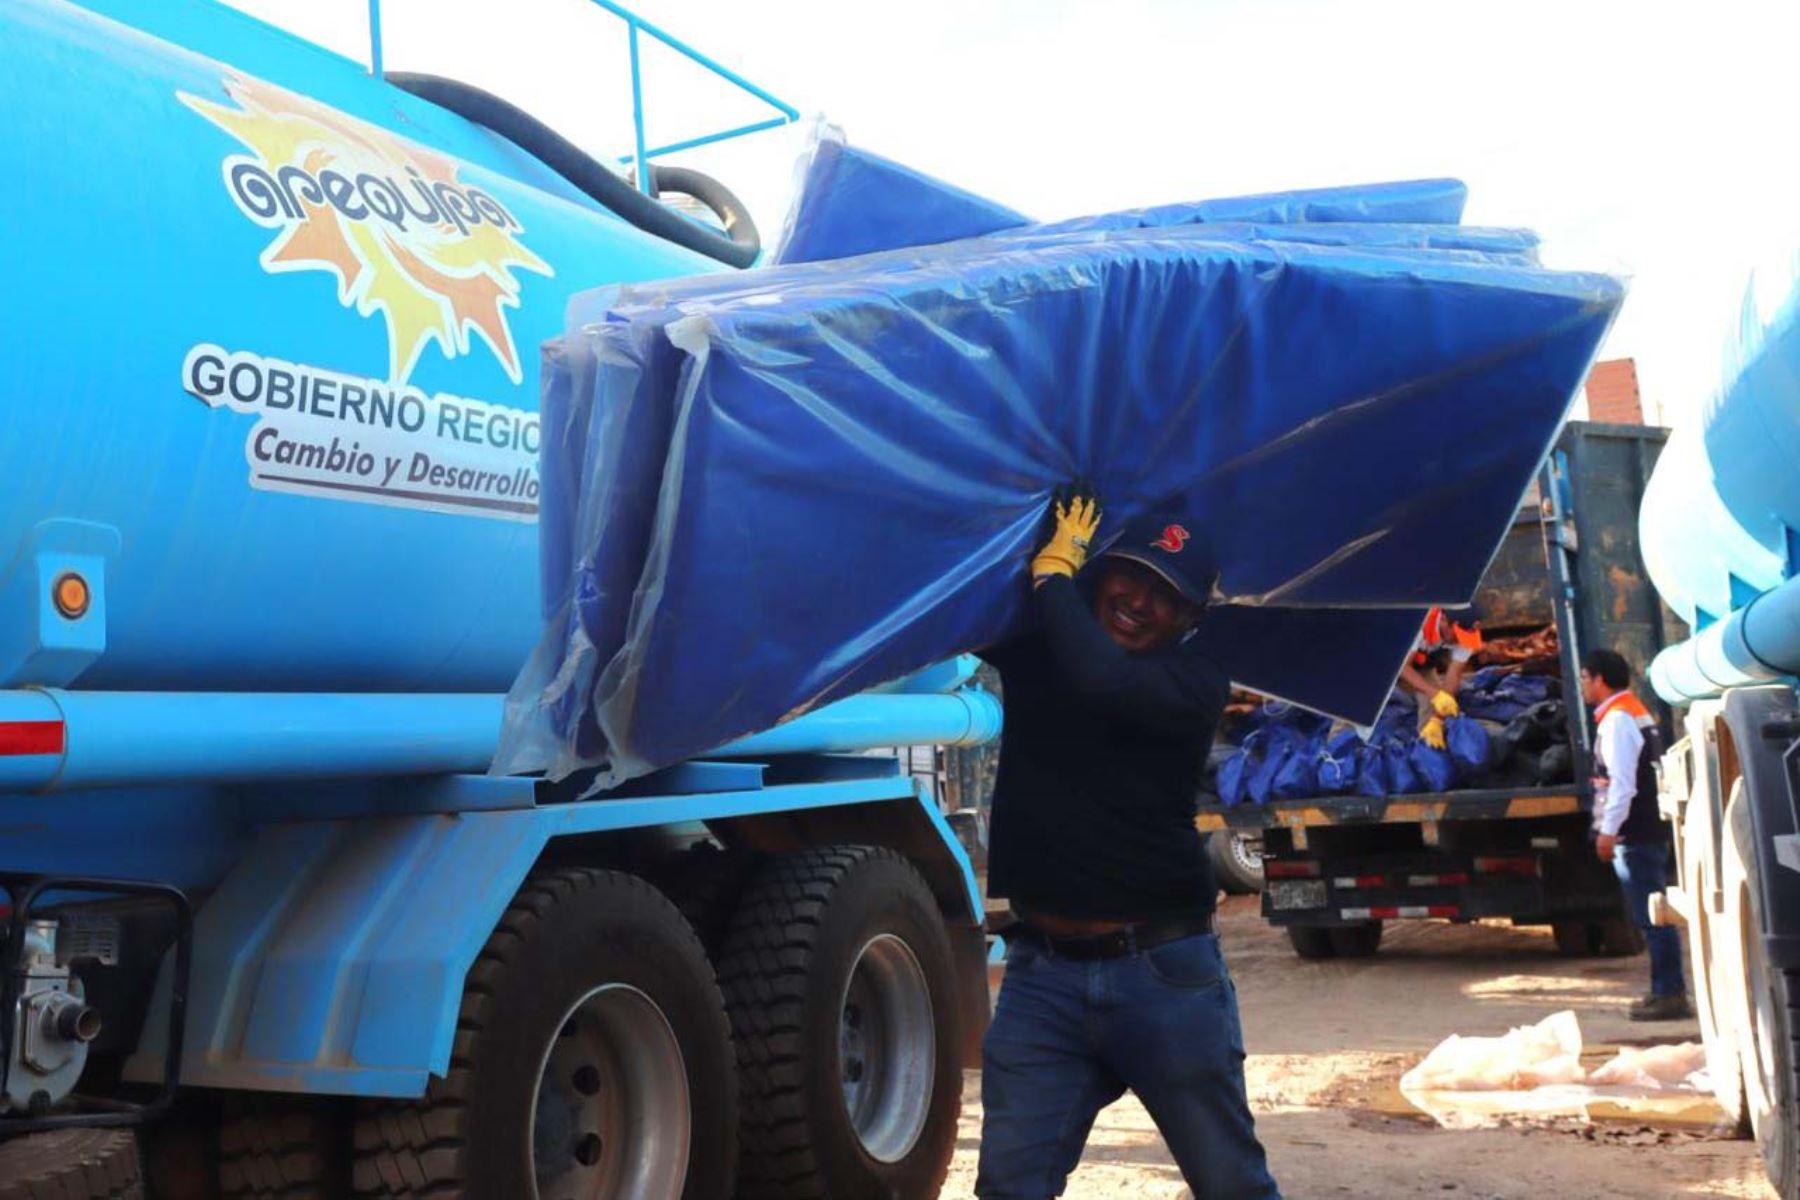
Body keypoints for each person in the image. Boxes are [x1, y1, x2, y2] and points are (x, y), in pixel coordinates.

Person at [976, 487, 1280, 1200]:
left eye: (1165, 595)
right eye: (1132, 575)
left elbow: (1102, 683)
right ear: (1100, 567)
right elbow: (949, 605)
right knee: (1009, 1189)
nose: (1140, 601)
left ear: (1191, 620)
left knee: (1231, 1184)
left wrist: (1051, 579)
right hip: (1041, 979)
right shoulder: (1042, 645)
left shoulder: (1193, 682)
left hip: (1163, 976)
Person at [1579, 648, 1691, 1021]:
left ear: (1599, 680)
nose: (1581, 686)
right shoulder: (1631, 710)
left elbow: (1621, 784)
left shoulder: (1617, 720)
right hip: (1644, 830)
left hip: (1635, 833)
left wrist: (1608, 832)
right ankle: (1664, 989)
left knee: (1651, 916)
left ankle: (1670, 994)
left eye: (1584, 678)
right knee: (1650, 913)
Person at [1398, 606, 1483, 749]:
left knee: (1432, 707)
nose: (1459, 642)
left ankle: (1426, 753)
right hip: (1386, 663)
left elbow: (1454, 674)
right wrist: (1433, 693)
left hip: (1421, 664)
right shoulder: (1417, 622)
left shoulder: (1465, 636)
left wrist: (1438, 718)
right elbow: (1401, 667)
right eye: (1456, 636)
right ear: (1443, 620)